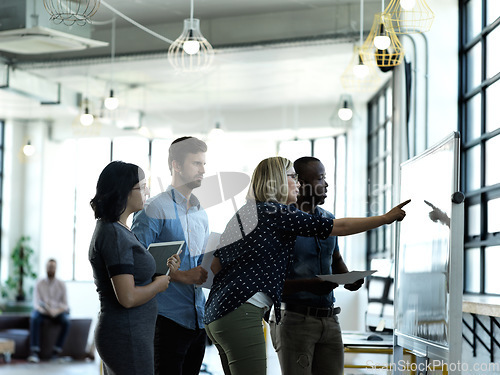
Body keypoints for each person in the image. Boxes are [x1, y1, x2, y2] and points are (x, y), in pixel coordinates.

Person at [204, 156, 410, 375]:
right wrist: (385, 218)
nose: (298, 183)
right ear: (276, 182)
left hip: (217, 314)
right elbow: (339, 226)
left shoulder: (247, 212)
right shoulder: (276, 212)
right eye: (293, 176)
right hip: (242, 312)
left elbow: (216, 265)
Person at [269, 156, 363, 375]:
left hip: (330, 320)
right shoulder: (282, 223)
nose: (326, 184)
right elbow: (271, 282)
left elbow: (336, 261)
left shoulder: (328, 220)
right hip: (293, 320)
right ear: (300, 183)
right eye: (321, 178)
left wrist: (349, 278)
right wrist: (309, 285)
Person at [89, 161, 179, 375]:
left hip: (130, 333)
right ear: (123, 191)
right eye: (142, 186)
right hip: (125, 334)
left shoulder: (119, 229)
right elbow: (127, 297)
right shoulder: (113, 233)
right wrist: (158, 285)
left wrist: (164, 272)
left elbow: (133, 277)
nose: (147, 191)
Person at [131, 136, 210, 375]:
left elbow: (199, 266)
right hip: (164, 320)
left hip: (197, 320)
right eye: (196, 163)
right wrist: (181, 276)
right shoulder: (154, 208)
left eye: (204, 164)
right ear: (176, 165)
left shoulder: (201, 214)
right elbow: (135, 264)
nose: (203, 170)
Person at [28, 259, 70, 363]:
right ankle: (35, 352)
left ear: (56, 269)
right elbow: (36, 304)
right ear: (46, 268)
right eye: (49, 267)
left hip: (57, 312)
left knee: (66, 322)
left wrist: (56, 311)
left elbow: (65, 305)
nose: (51, 269)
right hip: (43, 312)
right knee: (34, 318)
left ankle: (56, 351)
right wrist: (46, 311)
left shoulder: (61, 284)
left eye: (53, 267)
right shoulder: (39, 283)